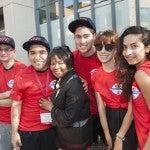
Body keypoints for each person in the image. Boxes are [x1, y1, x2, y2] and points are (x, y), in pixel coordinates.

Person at [91, 30, 138, 150]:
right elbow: (101, 107)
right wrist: (106, 134)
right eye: (99, 46)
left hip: (128, 120)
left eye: (108, 47)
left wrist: (119, 137)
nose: (103, 51)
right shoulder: (95, 75)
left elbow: (131, 110)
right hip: (109, 118)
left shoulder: (126, 72)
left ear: (116, 49)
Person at [40, 46, 92, 150]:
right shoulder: (63, 80)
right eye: (53, 64)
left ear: (69, 64)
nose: (56, 67)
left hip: (76, 141)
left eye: (60, 63)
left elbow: (69, 117)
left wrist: (51, 108)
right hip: (67, 138)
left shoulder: (74, 85)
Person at [10, 36, 57, 150]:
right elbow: (16, 106)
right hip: (28, 131)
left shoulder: (56, 71)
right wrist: (14, 133)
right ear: (28, 55)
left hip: (53, 129)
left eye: (42, 52)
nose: (37, 57)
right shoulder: (21, 76)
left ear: (48, 54)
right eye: (32, 53)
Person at [68, 17, 105, 145]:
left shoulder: (105, 56)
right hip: (85, 116)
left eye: (86, 36)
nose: (82, 41)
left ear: (94, 36)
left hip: (108, 112)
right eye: (78, 36)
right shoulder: (70, 58)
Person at [115, 26, 150, 150]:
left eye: (134, 46)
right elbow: (131, 111)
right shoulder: (137, 72)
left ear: (147, 47)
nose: (127, 52)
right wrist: (119, 138)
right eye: (125, 47)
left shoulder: (142, 74)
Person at [0, 35, 26, 150]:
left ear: (14, 51)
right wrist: (6, 94)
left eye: (7, 49)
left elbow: (16, 101)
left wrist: (9, 96)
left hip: (20, 121)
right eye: (0, 49)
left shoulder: (22, 70)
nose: (3, 52)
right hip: (2, 122)